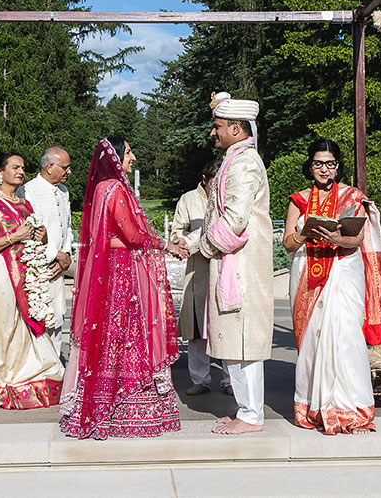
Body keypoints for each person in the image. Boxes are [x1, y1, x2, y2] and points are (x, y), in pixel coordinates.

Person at [59, 136, 187, 439]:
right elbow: (132, 234)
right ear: (116, 157)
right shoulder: (115, 190)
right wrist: (165, 245)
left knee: (106, 334)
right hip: (121, 274)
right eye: (128, 152)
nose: (133, 157)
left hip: (109, 272)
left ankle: (98, 400)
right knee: (128, 333)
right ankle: (125, 407)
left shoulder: (102, 190)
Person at [283, 139, 381, 435]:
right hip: (307, 273)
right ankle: (315, 409)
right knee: (314, 342)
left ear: (337, 165)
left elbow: (357, 239)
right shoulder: (299, 199)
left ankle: (353, 411)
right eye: (318, 163)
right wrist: (305, 233)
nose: (324, 169)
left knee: (346, 338)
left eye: (329, 163)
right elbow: (289, 244)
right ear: (309, 165)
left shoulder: (352, 197)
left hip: (343, 272)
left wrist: (337, 240)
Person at [0, 150, 64, 409]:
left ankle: (25, 376)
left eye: (23, 168)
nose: (20, 172)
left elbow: (29, 239)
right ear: (0, 173)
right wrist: (14, 238)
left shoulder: (24, 205)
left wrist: (38, 237)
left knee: (23, 326)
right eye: (15, 167)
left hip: (23, 274)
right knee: (1, 327)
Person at [199, 92, 274, 435]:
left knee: (244, 342)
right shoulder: (236, 158)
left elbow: (235, 220)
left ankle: (252, 415)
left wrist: (206, 245)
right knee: (235, 342)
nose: (212, 132)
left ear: (236, 127)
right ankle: (245, 410)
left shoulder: (244, 163)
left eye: (217, 126)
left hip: (240, 267)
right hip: (233, 263)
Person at [174, 159, 232, 396]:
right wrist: (184, 243)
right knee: (197, 330)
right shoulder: (188, 199)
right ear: (204, 180)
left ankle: (229, 380)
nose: (217, 188)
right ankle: (200, 379)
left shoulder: (229, 198)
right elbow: (177, 232)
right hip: (198, 272)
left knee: (226, 327)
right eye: (213, 184)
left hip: (224, 271)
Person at [17, 146, 73, 357]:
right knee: (41, 319)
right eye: (65, 167)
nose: (69, 172)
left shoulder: (64, 191)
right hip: (38, 267)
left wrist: (65, 255)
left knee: (59, 318)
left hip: (58, 268)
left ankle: (55, 372)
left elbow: (66, 226)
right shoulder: (29, 190)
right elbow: (32, 230)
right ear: (50, 167)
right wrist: (54, 255)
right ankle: (41, 373)